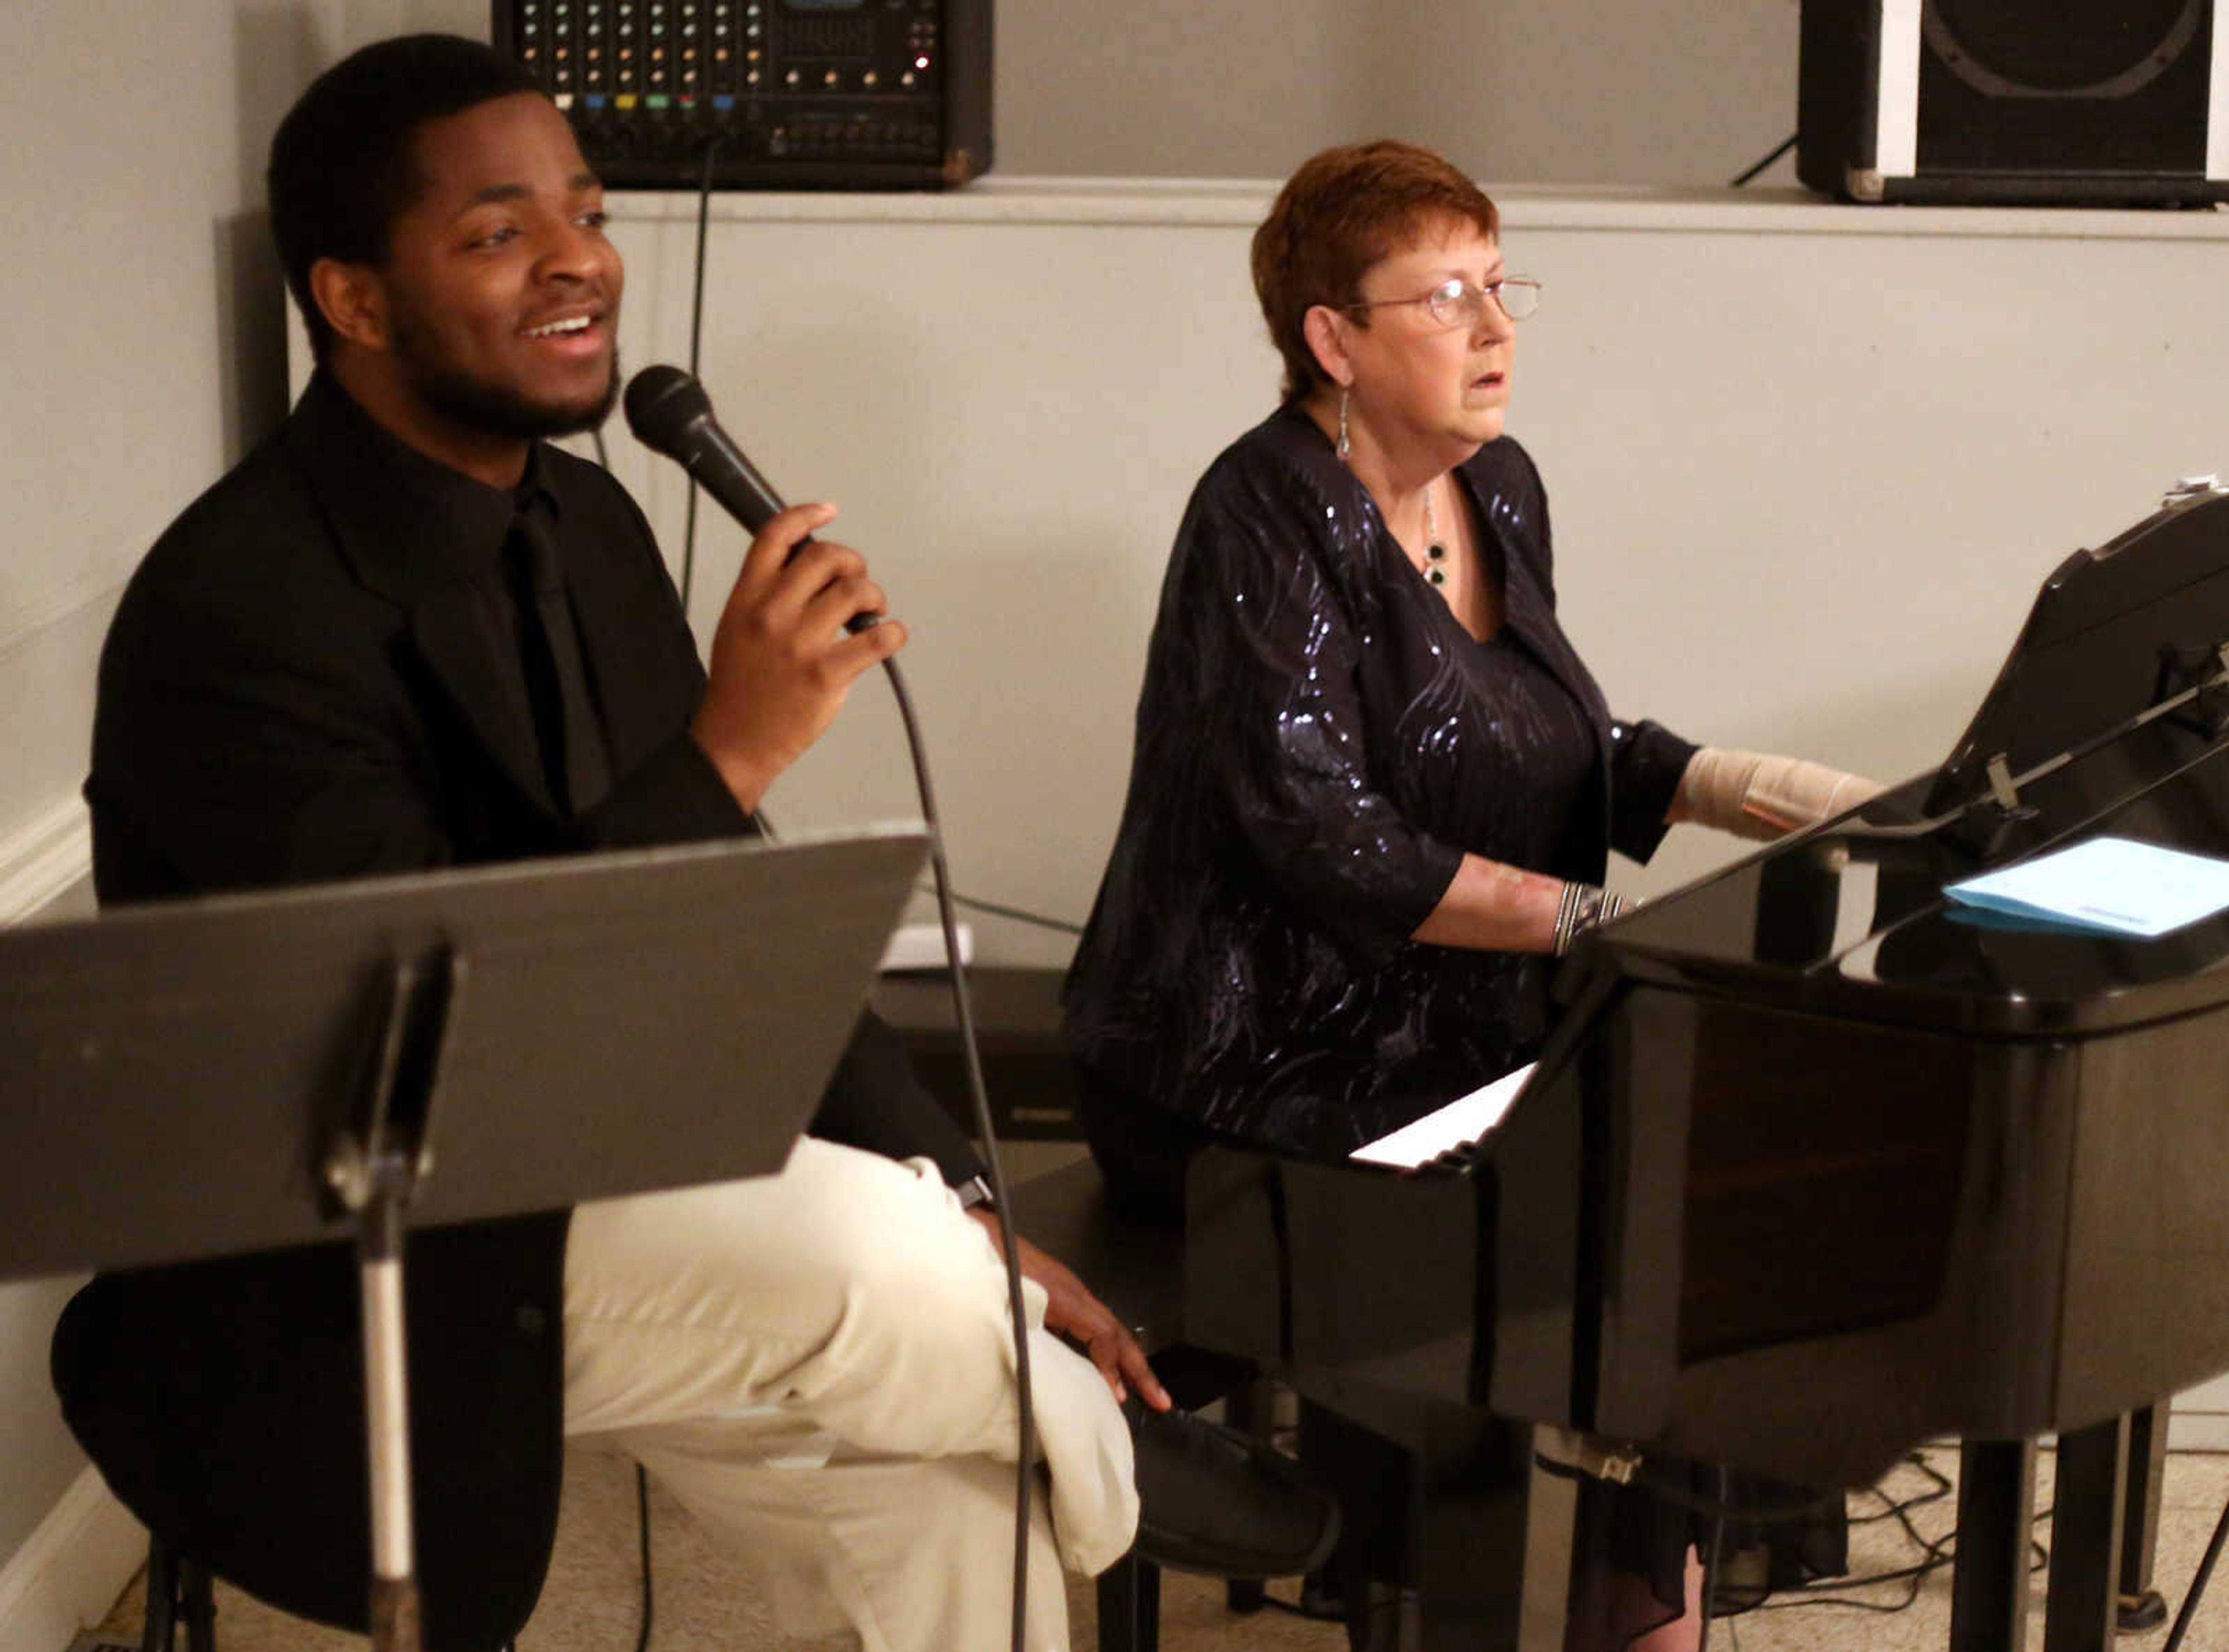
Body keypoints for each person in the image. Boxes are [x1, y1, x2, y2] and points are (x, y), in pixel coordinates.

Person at [50, 35, 1164, 1652]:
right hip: (359, 1246)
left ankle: (1052, 1429)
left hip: (599, 1164)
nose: (582, 260)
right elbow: (424, 1033)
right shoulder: (241, 611)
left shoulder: (592, 523)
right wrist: (732, 745)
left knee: (950, 1500)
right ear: (354, 302)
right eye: (500, 232)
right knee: (881, 1267)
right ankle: (1134, 1466)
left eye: (586, 208)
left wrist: (965, 1183)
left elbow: (730, 919)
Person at [1062, 140, 1874, 1650]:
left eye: (1503, 288)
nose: (1497, 330)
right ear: (1334, 339)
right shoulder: (1259, 517)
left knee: (1693, 1140)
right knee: (1568, 1201)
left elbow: (1545, 750)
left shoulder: (1495, 486)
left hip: (1455, 1013)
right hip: (1244, 1056)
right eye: (1447, 297)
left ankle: (1639, 1609)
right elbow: (1324, 840)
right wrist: (1588, 930)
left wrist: (1728, 781)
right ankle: (1476, 1593)